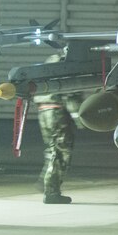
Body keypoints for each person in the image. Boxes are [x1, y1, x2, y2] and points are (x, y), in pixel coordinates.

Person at [34, 54, 81, 204]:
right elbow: (70, 93)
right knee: (61, 151)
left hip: (44, 111)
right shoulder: (65, 65)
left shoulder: (48, 64)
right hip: (57, 113)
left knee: (52, 149)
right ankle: (51, 191)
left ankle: (46, 179)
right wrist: (79, 118)